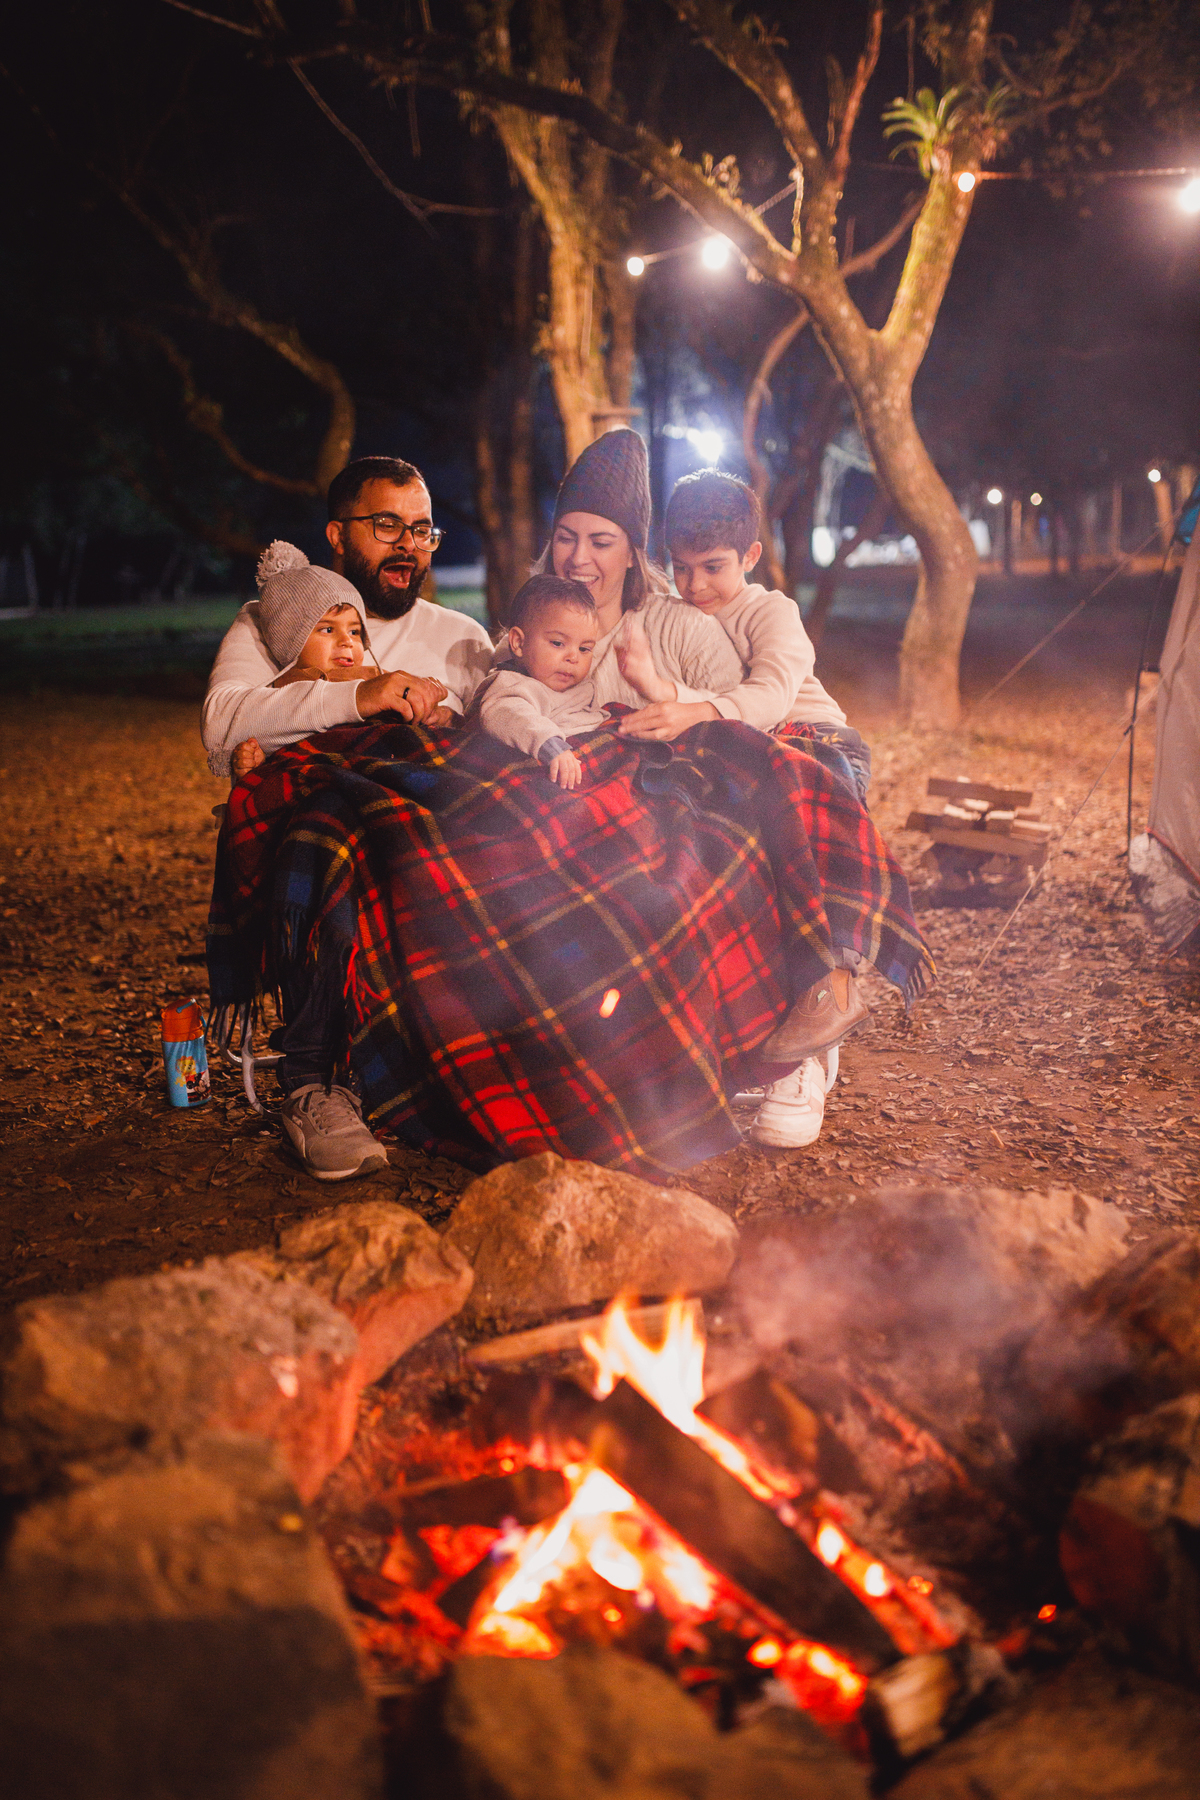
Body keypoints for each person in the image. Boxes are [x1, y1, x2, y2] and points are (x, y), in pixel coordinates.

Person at [202, 456, 494, 777]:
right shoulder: (273, 619)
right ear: (337, 537)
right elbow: (220, 725)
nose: (409, 544)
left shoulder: (463, 636)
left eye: (422, 530)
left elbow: (498, 742)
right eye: (387, 525)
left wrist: (458, 725)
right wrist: (360, 696)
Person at [229, 541, 377, 778]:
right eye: (328, 630)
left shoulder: (373, 680)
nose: (347, 641)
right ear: (291, 639)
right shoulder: (280, 697)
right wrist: (256, 762)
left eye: (355, 631)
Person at [473, 574, 609, 790]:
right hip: (554, 760)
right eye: (558, 643)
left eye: (584, 649)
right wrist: (550, 746)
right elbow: (507, 714)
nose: (573, 657)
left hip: (590, 753)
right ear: (518, 643)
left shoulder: (578, 686)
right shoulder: (512, 685)